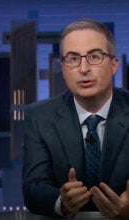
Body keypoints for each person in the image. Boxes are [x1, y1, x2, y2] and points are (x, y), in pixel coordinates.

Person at [22, 18, 129, 218]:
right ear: (63, 69)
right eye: (72, 59)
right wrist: (61, 201)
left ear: (114, 65)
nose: (83, 69)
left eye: (95, 56)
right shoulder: (39, 117)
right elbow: (33, 190)